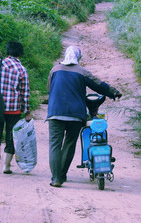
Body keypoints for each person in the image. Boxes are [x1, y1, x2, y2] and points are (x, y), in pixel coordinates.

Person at [46, 45, 121, 187]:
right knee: (69, 143)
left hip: (55, 113)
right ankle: (61, 175)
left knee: (55, 145)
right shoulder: (82, 72)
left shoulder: (54, 70)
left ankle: (56, 178)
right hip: (75, 115)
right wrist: (114, 92)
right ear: (78, 57)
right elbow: (99, 85)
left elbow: (49, 89)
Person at [0, 41, 32, 174]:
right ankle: (6, 166)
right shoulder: (22, 69)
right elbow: (25, 93)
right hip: (14, 108)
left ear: (7, 52)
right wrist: (27, 112)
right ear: (20, 54)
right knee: (12, 136)